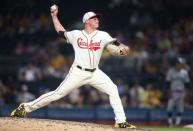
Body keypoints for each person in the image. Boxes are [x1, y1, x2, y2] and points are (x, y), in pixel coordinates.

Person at [10, 4, 136, 129]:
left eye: (97, 18)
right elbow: (60, 32)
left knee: (113, 89)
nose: (97, 20)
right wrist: (54, 16)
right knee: (56, 94)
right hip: (78, 72)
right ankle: (24, 107)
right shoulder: (76, 34)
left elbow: (114, 46)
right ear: (86, 21)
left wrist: (122, 50)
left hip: (95, 73)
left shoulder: (103, 35)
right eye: (94, 18)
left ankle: (120, 122)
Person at [166, 57, 190, 127]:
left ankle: (177, 123)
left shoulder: (184, 72)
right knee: (170, 107)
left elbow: (187, 84)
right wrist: (169, 92)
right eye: (178, 63)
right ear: (175, 64)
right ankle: (170, 123)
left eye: (180, 63)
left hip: (182, 92)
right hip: (173, 92)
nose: (179, 65)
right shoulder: (171, 71)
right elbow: (167, 82)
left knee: (180, 108)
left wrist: (187, 93)